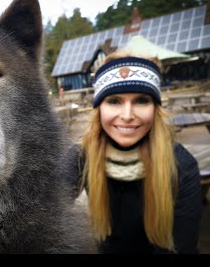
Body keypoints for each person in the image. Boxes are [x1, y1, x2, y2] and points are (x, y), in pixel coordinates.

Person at [64, 52, 202, 254]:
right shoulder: (81, 156)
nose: (127, 116)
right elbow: (45, 207)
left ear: (155, 108)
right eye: (114, 101)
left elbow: (182, 246)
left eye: (141, 100)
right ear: (99, 108)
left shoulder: (181, 164)